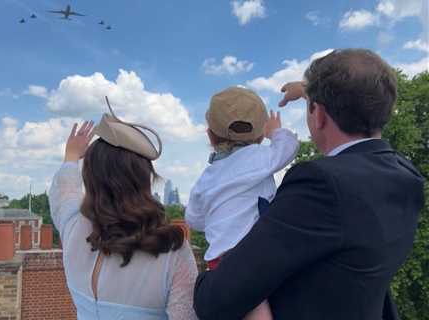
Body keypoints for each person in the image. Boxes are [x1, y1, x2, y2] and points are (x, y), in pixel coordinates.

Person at [193, 49, 425, 320]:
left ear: (319, 115)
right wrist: (307, 92)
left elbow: (220, 298)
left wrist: (201, 282)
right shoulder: (406, 175)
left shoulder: (321, 184)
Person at [49, 102, 199, 320]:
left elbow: (63, 195)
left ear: (90, 178)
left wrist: (71, 156)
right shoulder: (171, 251)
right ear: (142, 180)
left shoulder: (74, 229)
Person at [185, 87, 299, 320]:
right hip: (254, 257)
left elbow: (193, 219)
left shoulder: (206, 178)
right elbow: (289, 147)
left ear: (210, 135)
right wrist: (276, 132)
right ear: (259, 134)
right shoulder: (261, 158)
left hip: (219, 261)